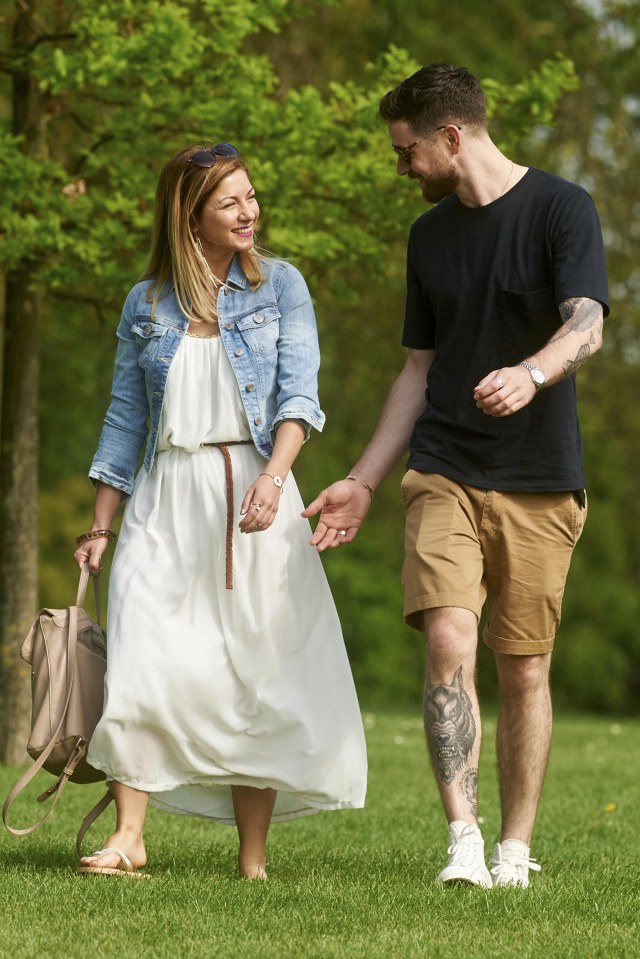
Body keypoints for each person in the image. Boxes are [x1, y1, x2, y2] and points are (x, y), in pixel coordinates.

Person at [303, 63, 608, 889]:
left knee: (525, 665)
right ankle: (464, 841)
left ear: (450, 136)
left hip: (541, 475)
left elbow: (588, 324)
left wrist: (533, 374)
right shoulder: (428, 238)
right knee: (446, 637)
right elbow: (416, 371)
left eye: (406, 152)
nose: (400, 167)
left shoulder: (561, 208)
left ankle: (515, 847)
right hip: (445, 466)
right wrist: (365, 479)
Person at [73, 142, 367, 880]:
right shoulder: (146, 304)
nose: (249, 212)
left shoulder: (282, 286)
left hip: (253, 490)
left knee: (252, 673)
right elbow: (123, 418)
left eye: (252, 197)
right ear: (190, 213)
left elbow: (300, 396)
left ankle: (253, 858)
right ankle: (129, 835)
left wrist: (275, 477)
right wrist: (100, 524)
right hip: (165, 492)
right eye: (231, 201)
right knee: (142, 653)